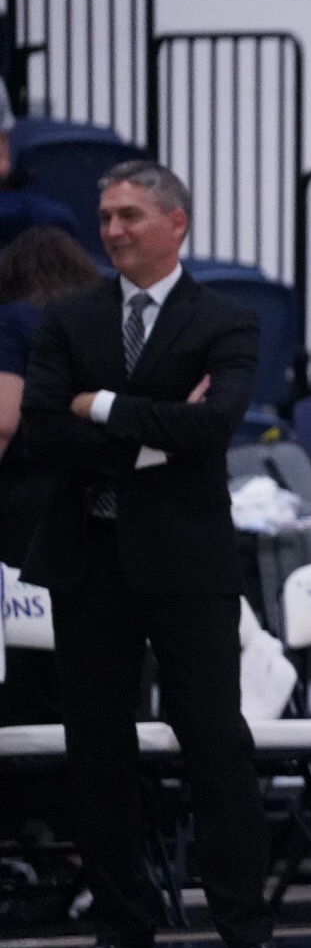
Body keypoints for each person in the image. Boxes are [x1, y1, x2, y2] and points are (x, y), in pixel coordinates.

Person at [18, 161, 285, 948]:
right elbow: (39, 432)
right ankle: (121, 933)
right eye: (104, 216)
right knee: (97, 749)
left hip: (187, 563)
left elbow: (214, 429)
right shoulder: (66, 319)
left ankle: (246, 935)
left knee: (215, 742)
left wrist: (97, 407)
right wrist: (158, 433)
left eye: (130, 214)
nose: (112, 229)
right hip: (86, 559)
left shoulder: (227, 318)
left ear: (177, 222)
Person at [0, 229, 101, 726]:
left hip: (24, 504)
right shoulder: (100, 321)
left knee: (25, 656)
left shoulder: (14, 321)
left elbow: (2, 420)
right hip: (93, 496)